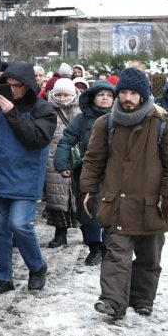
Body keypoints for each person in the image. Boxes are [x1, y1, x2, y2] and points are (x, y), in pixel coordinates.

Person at [80, 68, 168, 319]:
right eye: (124, 93)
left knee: (149, 257)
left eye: (133, 93)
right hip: (116, 203)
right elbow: (94, 159)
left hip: (152, 204)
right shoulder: (105, 124)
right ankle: (112, 300)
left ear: (143, 95)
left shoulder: (164, 124)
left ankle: (142, 298)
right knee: (116, 253)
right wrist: (88, 189)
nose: (128, 98)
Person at [0, 61, 54, 295]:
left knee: (19, 224)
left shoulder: (43, 109)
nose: (12, 90)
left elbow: (36, 139)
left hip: (25, 179)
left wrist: (12, 113)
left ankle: (37, 267)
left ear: (27, 86)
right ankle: (3, 277)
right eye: (7, 85)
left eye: (17, 85)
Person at [53, 80, 116, 265]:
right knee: (88, 211)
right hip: (87, 171)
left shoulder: (120, 118)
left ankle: (106, 247)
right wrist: (62, 163)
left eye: (109, 95)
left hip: (113, 172)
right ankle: (94, 247)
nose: (105, 98)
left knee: (111, 211)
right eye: (101, 95)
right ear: (93, 97)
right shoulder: (82, 119)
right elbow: (66, 141)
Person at [42, 77, 82, 249]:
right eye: (59, 94)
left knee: (79, 197)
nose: (63, 98)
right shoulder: (47, 110)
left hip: (77, 158)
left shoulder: (81, 110)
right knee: (58, 199)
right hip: (53, 159)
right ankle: (60, 234)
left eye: (66, 94)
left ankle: (89, 234)